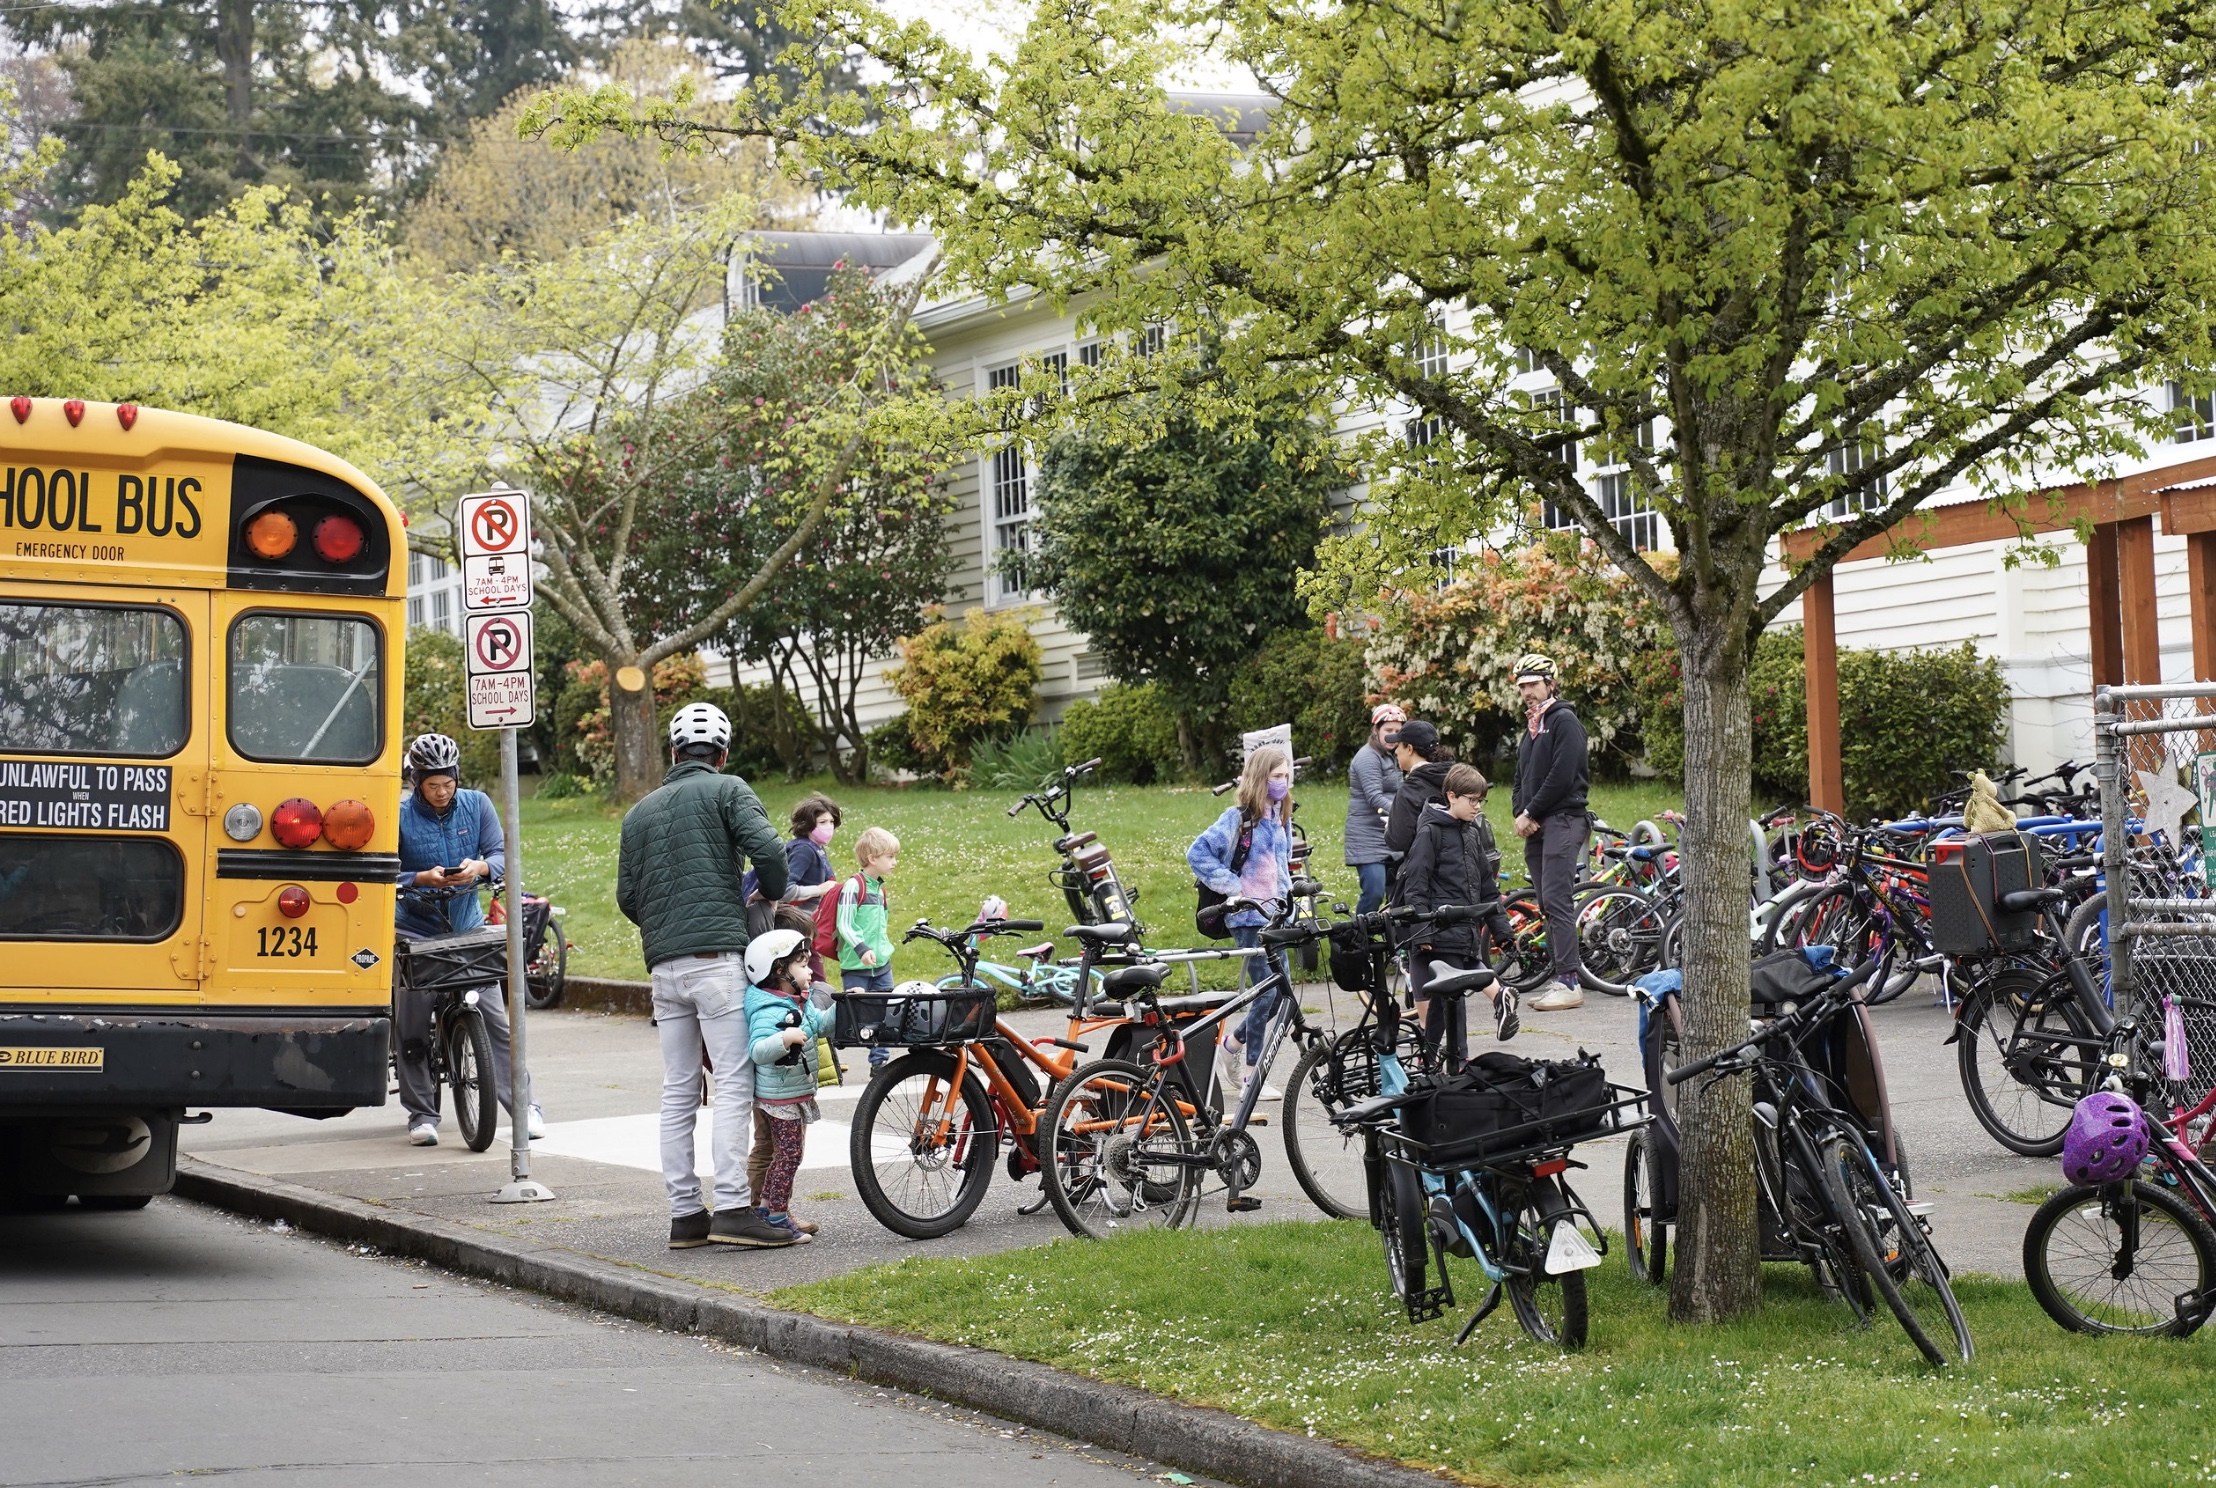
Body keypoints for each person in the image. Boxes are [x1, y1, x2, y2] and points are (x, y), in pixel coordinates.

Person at [616, 702, 798, 1250]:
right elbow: (768, 848)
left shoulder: (638, 813)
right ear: (721, 753)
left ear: (673, 753)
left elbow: (628, 897)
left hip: (664, 968)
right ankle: (736, 1208)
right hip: (716, 961)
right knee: (734, 1082)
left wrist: (665, 928)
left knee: (678, 1090)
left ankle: (684, 1215)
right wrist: (769, 888)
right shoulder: (727, 789)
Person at [392, 732, 543, 1148]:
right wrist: (418, 878)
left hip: (466, 924)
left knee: (495, 1018)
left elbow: (500, 854)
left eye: (448, 783)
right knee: (412, 1022)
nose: (442, 792)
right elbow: (384, 867)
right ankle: (422, 1114)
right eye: (432, 785)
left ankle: (526, 1106)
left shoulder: (477, 805)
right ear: (415, 782)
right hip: (414, 926)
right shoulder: (399, 814)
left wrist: (479, 868)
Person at [1187, 745, 1295, 1100]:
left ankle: (1231, 1045)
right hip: (1249, 918)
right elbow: (1198, 853)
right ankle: (1251, 1075)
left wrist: (1290, 902)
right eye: (1276, 776)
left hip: (1277, 916)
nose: (1283, 782)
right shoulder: (1237, 818)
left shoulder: (1281, 815)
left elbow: (1282, 867)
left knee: (1283, 996)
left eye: (1286, 775)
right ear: (1260, 777)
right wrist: (1235, 888)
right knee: (1265, 994)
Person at [1396, 763, 1519, 1050]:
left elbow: (1487, 888)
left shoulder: (1472, 833)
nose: (1477, 807)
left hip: (1464, 932)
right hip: (1438, 932)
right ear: (1452, 796)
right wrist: (1422, 934)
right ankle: (1454, 1062)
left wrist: (1503, 932)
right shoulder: (1430, 832)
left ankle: (1433, 1061)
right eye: (1472, 800)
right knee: (1450, 1008)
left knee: (1443, 1007)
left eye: (1480, 800)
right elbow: (1417, 884)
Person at [743, 927, 837, 1244]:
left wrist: (843, 1007)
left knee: (787, 1155)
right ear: (780, 970)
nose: (810, 971)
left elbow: (819, 1025)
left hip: (790, 1093)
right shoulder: (770, 1008)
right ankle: (780, 1218)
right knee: (789, 1156)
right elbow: (758, 1050)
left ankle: (766, 1210)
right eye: (802, 964)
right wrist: (783, 1038)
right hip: (778, 1099)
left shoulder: (797, 1001)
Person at [1511, 652, 1592, 1011]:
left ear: (1550, 683)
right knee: (1546, 902)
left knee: (1558, 900)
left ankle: (1569, 981)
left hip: (1563, 819)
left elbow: (1562, 775)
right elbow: (1519, 780)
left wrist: (1531, 810)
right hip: (1538, 824)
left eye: (1533, 684)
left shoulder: (1564, 721)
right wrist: (1520, 814)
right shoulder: (1531, 729)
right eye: (1522, 686)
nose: (1527, 691)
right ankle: (1560, 975)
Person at [834, 827, 900, 1066]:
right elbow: (845, 924)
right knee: (860, 1017)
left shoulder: (880, 889)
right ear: (873, 858)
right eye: (890, 857)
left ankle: (879, 1062)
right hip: (856, 966)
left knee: (883, 1013)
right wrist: (861, 949)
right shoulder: (854, 886)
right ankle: (831, 1047)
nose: (894, 862)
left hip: (881, 964)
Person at [1345, 703, 1406, 915]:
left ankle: (1394, 940)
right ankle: (1357, 937)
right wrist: (1405, 813)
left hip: (1391, 833)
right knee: (1374, 891)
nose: (1393, 735)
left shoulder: (1396, 755)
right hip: (1367, 836)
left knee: (1399, 893)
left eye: (1398, 731)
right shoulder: (1367, 757)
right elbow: (1374, 797)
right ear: (1376, 730)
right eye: (1388, 730)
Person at [1381, 718, 1456, 867]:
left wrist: (1390, 828)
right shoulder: (1456, 778)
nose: (1395, 751)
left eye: (1398, 746)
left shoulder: (1409, 790)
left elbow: (1398, 841)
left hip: (1426, 872)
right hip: (1459, 867)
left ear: (1409, 749)